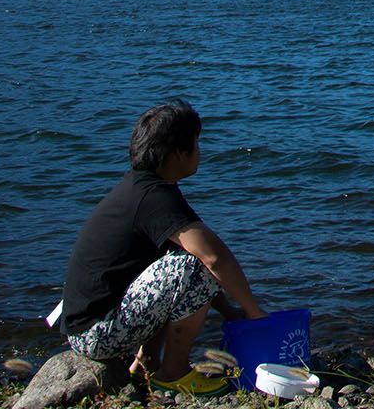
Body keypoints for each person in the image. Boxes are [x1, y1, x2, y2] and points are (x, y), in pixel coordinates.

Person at [58, 101, 265, 395]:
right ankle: (173, 372)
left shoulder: (143, 189)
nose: (199, 152)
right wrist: (254, 312)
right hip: (97, 334)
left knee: (182, 263)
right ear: (178, 152)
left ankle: (147, 364)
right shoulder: (154, 197)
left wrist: (229, 312)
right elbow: (213, 258)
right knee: (193, 264)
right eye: (196, 144)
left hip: (90, 327)